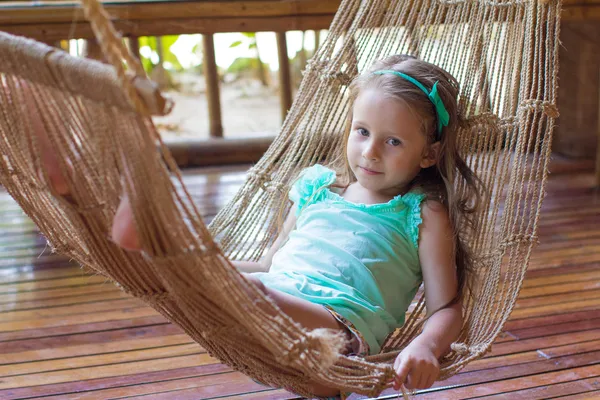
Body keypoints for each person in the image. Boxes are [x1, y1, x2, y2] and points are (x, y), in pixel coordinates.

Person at [35, 54, 482, 399]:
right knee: (189, 272)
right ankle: (86, 200)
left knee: (228, 284)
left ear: (429, 153)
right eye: (361, 131)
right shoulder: (316, 189)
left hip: (337, 337)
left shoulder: (421, 214)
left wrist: (426, 346)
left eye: (392, 141)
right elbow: (270, 262)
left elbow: (446, 308)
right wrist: (219, 267)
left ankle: (152, 230)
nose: (369, 152)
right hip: (271, 298)